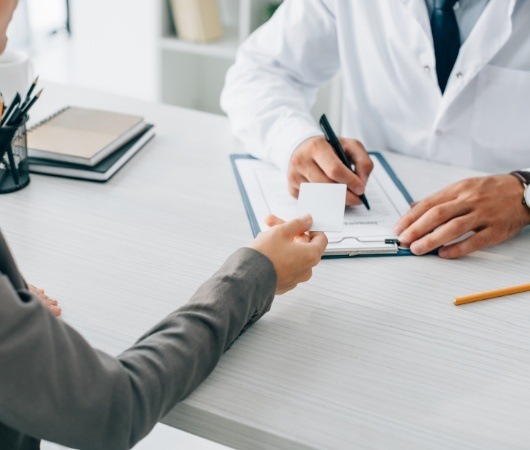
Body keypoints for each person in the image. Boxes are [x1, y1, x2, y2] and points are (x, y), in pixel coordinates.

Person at [221, 0, 530, 259]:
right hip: (373, 238)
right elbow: (258, 73)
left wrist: (524, 193)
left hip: (507, 254)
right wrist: (294, 141)